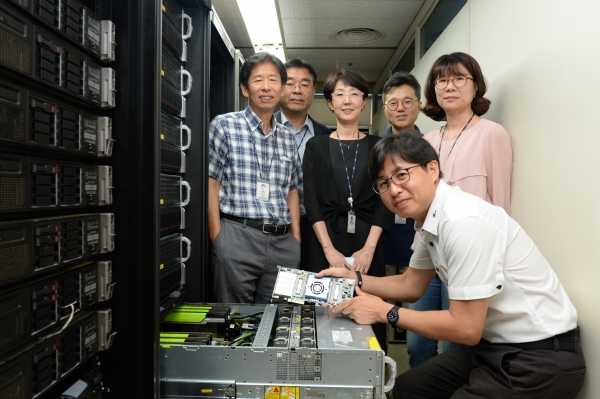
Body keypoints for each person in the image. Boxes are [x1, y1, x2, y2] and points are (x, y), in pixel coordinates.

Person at [317, 131, 585, 399]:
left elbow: (466, 328)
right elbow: (411, 284)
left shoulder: (462, 221)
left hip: (539, 358)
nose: (394, 190)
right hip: (490, 347)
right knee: (406, 389)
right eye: (383, 183)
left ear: (432, 169)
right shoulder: (432, 219)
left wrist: (385, 312)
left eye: (401, 175)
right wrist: (354, 279)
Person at [400, 52, 514, 367]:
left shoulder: (492, 134)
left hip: (468, 262)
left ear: (475, 86)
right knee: (416, 344)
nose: (450, 86)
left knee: (455, 349)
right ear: (433, 89)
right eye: (442, 80)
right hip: (427, 254)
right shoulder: (426, 140)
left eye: (459, 78)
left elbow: (501, 209)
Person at [302, 68, 392, 351]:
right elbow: (312, 201)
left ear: (364, 101)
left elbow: (385, 201)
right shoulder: (315, 145)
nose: (347, 100)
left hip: (368, 244)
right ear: (329, 102)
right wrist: (329, 250)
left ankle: (373, 378)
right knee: (327, 314)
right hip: (326, 242)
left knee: (369, 312)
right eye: (339, 94)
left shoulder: (379, 145)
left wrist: (369, 249)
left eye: (354, 93)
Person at [208, 52, 302, 304]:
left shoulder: (288, 136)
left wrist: (296, 240)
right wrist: (219, 238)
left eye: (273, 80)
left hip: (283, 243)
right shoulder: (224, 125)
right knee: (235, 322)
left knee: (279, 322)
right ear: (244, 88)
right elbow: (211, 183)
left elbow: (292, 189)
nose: (266, 87)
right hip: (237, 236)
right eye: (258, 80)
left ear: (282, 88)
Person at [274, 58, 330, 270]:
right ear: (280, 87)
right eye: (290, 83)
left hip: (316, 228)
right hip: (275, 228)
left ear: (313, 90)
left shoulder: (326, 135)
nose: (297, 90)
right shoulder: (262, 130)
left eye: (304, 84)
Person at [379, 72, 422, 276]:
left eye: (407, 101)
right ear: (385, 109)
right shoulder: (374, 150)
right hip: (380, 250)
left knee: (414, 308)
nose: (401, 108)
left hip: (421, 252)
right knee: (378, 308)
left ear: (419, 105)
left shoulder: (431, 147)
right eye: (393, 103)